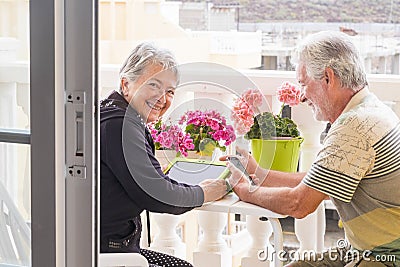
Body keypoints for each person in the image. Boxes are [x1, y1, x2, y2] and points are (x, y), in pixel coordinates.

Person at [224, 31, 400, 266]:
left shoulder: (354, 127)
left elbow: (298, 204)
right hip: (366, 249)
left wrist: (245, 191)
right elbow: (319, 180)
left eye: (304, 84)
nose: (302, 96)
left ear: (328, 78)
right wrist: (260, 174)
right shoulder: (371, 109)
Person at [100, 43, 227, 266]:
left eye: (170, 92)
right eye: (154, 85)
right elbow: (157, 194)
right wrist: (204, 193)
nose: (163, 98)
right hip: (107, 254)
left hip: (111, 247)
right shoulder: (120, 125)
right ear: (125, 84)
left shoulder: (112, 113)